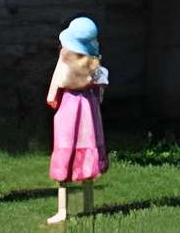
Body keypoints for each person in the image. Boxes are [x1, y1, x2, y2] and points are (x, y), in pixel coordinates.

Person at [45, 16, 110, 222]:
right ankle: (85, 207)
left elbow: (58, 83)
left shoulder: (66, 58)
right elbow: (101, 87)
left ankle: (64, 211)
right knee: (82, 152)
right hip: (87, 110)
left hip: (70, 109)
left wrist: (53, 98)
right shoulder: (93, 63)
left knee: (68, 152)